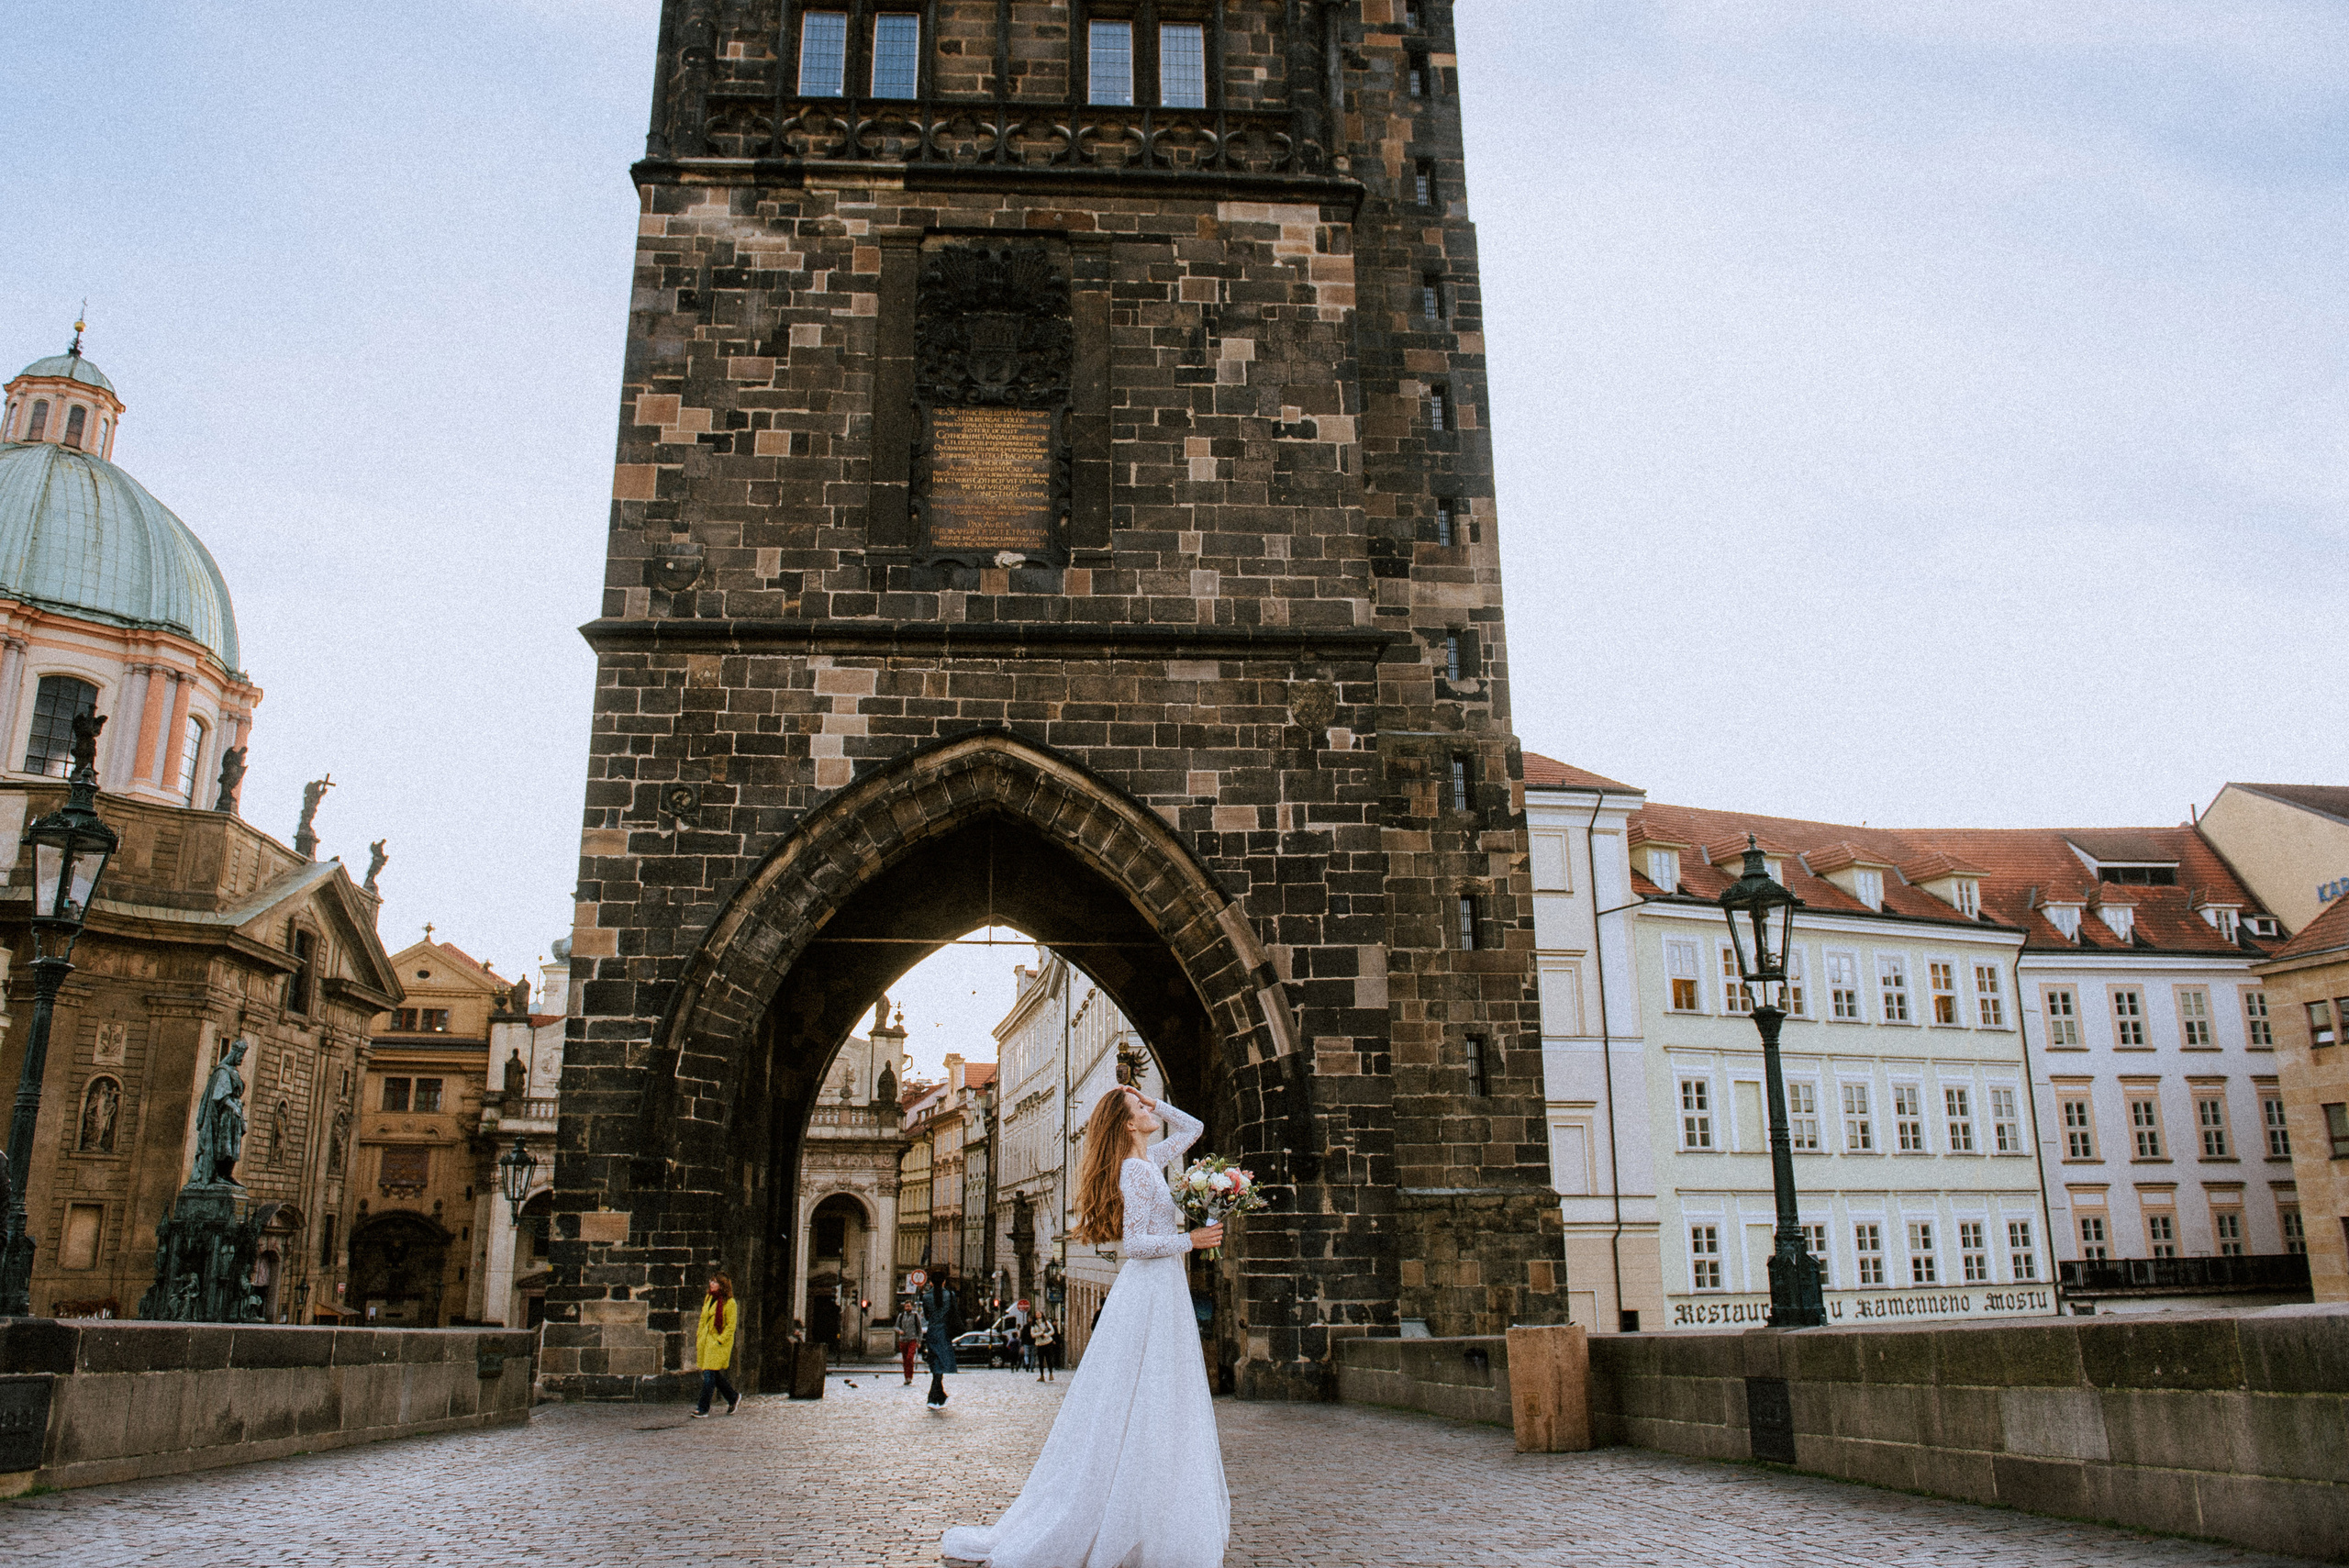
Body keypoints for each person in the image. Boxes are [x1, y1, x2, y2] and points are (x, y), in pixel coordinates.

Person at [941, 1085, 1228, 1566]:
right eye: (1139, 1108)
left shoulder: (1149, 1159)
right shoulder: (1135, 1171)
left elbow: (1195, 1129)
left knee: (1159, 1394)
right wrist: (1189, 1240)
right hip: (1150, 1286)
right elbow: (1135, 1243)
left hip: (1163, 1289)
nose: (1147, 1108)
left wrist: (1154, 1105)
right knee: (1141, 1393)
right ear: (1127, 1125)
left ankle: (1146, 1511)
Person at [692, 1272, 740, 1418]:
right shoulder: (709, 1298)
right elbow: (703, 1318)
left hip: (719, 1343)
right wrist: (699, 1334)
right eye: (711, 1281)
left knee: (708, 1375)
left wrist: (720, 1339)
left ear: (722, 1285)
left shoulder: (730, 1303)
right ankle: (733, 1397)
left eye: (715, 1282)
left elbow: (731, 1326)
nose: (711, 1284)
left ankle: (703, 1408)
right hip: (707, 1340)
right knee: (714, 1374)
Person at [919, 1265, 961, 1408]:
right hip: (944, 1332)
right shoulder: (950, 1295)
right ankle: (934, 1397)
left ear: (931, 1283)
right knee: (941, 1364)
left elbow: (926, 1315)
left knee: (936, 1362)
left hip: (932, 1332)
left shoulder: (926, 1297)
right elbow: (954, 1312)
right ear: (943, 1282)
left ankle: (938, 1396)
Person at [896, 1297, 923, 1386]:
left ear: (911, 1307)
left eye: (909, 1306)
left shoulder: (915, 1316)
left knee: (909, 1358)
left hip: (912, 1339)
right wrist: (899, 1331)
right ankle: (906, 1377)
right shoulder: (901, 1316)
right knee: (905, 1360)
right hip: (903, 1340)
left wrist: (919, 1341)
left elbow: (919, 1329)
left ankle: (910, 1376)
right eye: (906, 1306)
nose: (907, 1308)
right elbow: (896, 1327)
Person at [1029, 1313, 1058, 1383]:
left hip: (1048, 1343)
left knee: (1049, 1359)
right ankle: (1042, 1376)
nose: (1038, 1315)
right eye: (1037, 1314)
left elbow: (1052, 1331)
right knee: (1040, 1361)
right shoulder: (1033, 1325)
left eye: (1039, 1313)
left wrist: (1047, 1335)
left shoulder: (1046, 1322)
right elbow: (1032, 1335)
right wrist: (1041, 1333)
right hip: (1039, 1344)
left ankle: (1051, 1374)